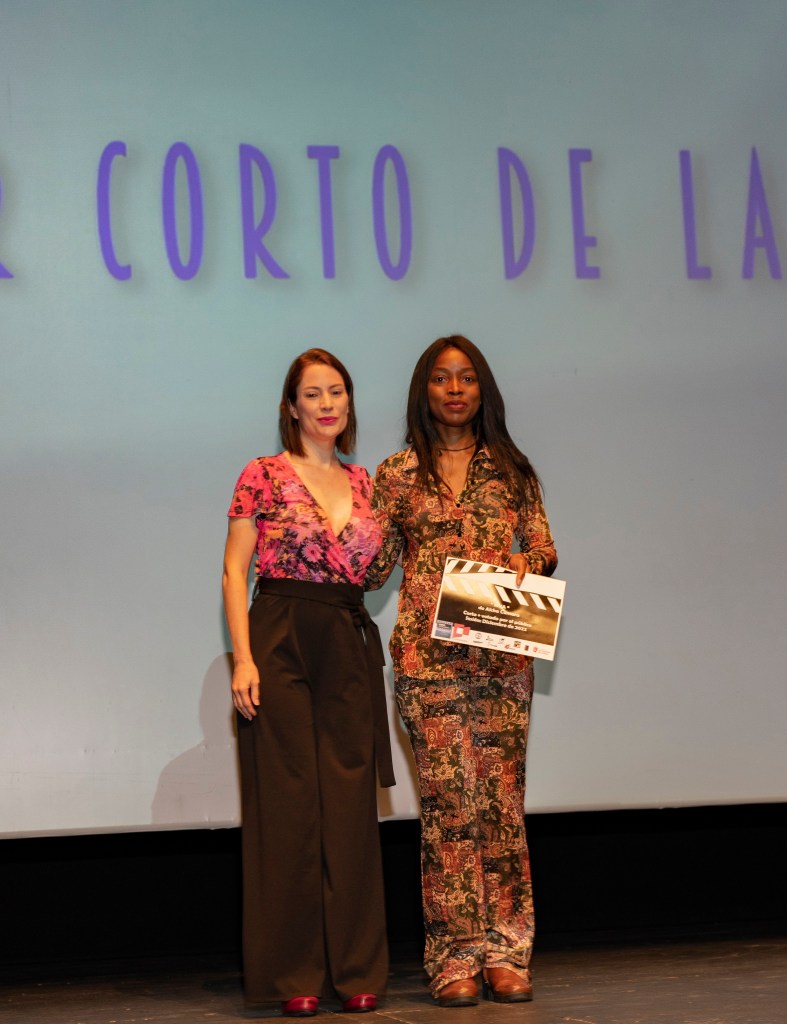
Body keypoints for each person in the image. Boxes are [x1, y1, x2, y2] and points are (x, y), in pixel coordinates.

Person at [365, 335, 557, 1008]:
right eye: (442, 378)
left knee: (500, 805)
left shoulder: (511, 468)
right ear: (424, 390)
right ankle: (454, 959)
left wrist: (528, 563)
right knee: (449, 810)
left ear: (483, 390)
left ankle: (507, 952)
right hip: (426, 661)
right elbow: (373, 569)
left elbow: (542, 545)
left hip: (502, 654)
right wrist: (343, 517)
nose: (454, 389)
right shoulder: (395, 474)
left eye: (466, 378)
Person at [222, 348, 395, 1018]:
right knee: (289, 805)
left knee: (350, 806)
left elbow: (378, 570)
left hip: (346, 637)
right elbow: (234, 571)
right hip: (279, 634)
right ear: (291, 407)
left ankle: (357, 970)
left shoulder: (366, 483)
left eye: (337, 392)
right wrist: (243, 658)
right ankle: (292, 973)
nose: (327, 404)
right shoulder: (262, 474)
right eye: (313, 393)